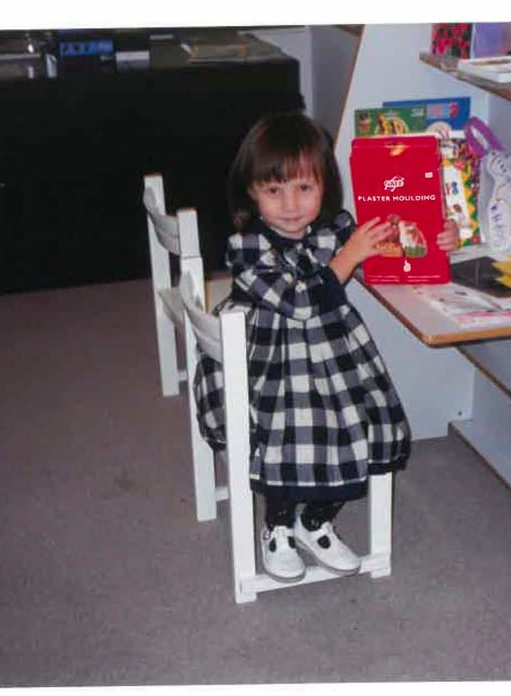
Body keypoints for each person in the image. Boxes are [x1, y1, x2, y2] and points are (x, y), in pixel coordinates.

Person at [194, 111, 459, 583]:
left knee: (364, 424)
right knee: (289, 434)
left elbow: (398, 254)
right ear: (251, 191)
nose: (291, 204)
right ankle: (276, 525)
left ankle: (312, 521)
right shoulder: (247, 246)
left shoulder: (334, 229)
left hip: (334, 353)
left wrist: (440, 238)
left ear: (325, 187)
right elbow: (299, 302)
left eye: (304, 188)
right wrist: (349, 255)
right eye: (274, 190)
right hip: (267, 361)